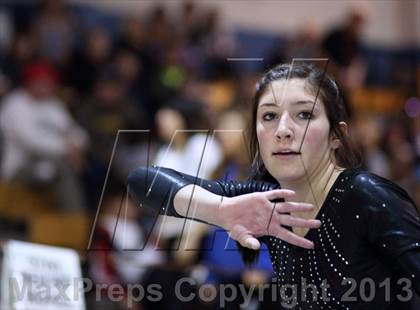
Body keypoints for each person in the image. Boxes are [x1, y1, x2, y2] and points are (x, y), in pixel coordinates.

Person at [127, 63, 420, 309]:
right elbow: (142, 182)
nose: (282, 130)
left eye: (304, 114)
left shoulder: (367, 195)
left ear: (336, 135)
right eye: (269, 116)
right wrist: (220, 211)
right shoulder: (266, 202)